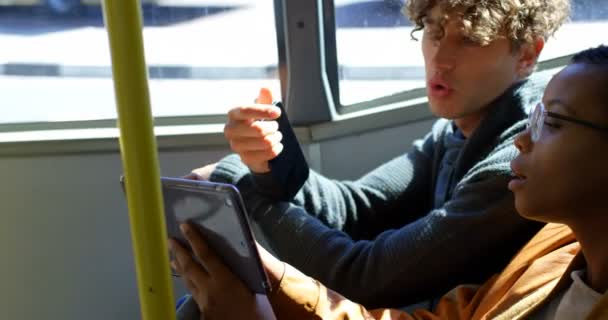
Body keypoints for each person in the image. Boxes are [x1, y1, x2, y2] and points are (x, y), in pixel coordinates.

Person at [183, 0, 570, 310]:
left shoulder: (516, 161)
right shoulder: (461, 127)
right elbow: (355, 208)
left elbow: (366, 279)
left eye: (469, 39)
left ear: (526, 54)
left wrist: (240, 185)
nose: (441, 58)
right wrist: (268, 159)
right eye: (433, 31)